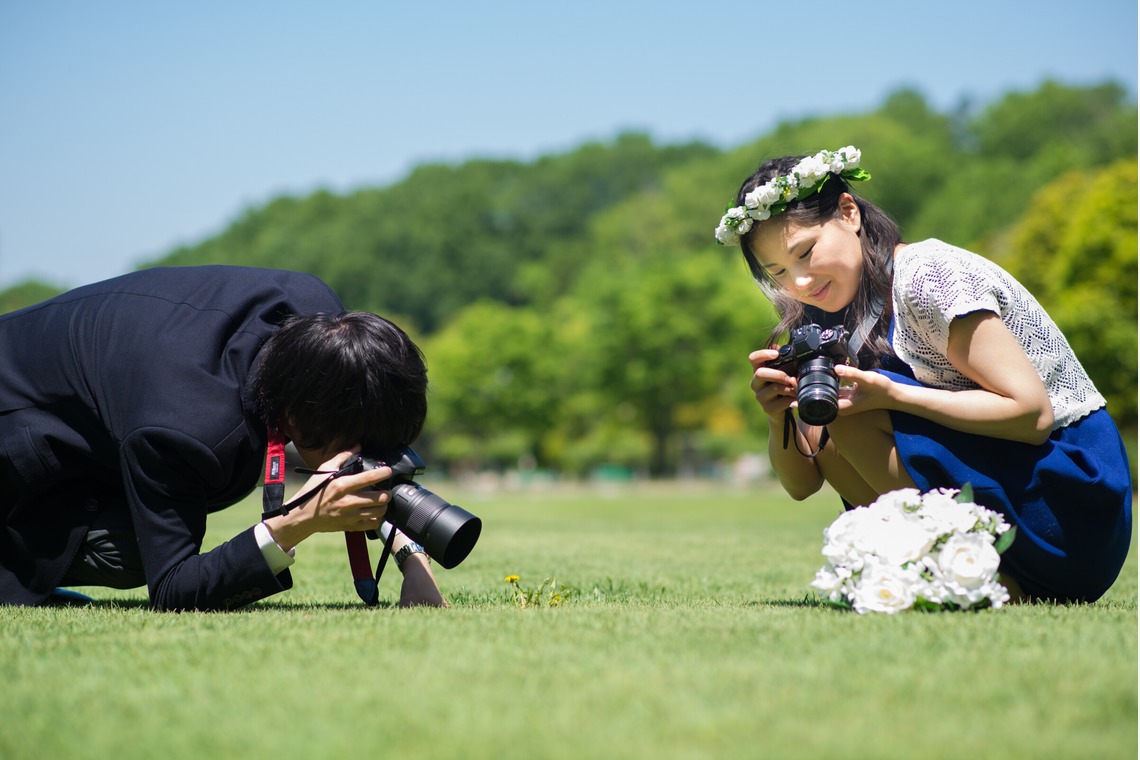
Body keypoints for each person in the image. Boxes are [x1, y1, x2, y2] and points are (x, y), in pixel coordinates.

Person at [716, 147, 1132, 603]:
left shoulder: (928, 275)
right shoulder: (820, 317)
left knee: (854, 413)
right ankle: (960, 578)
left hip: (1073, 498)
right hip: (1016, 482)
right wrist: (779, 418)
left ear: (849, 213)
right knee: (840, 421)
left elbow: (1031, 417)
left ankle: (974, 579)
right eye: (778, 271)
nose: (798, 282)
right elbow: (803, 484)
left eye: (807, 252)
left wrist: (892, 395)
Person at [0, 265, 447, 611]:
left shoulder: (318, 323)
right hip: (15, 433)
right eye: (352, 449)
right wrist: (297, 522)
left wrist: (412, 554)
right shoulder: (186, 426)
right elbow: (174, 589)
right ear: (293, 416)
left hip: (96, 395)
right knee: (132, 549)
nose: (361, 459)